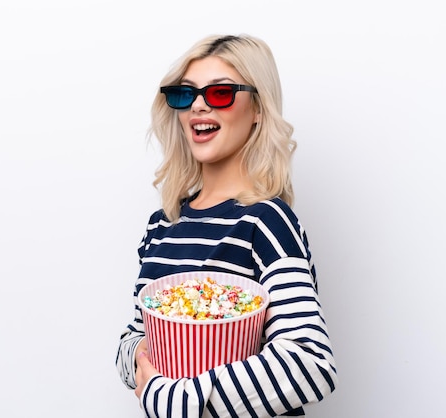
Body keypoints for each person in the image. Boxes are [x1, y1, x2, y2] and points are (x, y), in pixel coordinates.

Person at [115, 33, 337, 417]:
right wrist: (137, 355)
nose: (199, 105)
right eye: (186, 94)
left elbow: (310, 363)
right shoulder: (161, 227)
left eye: (220, 93)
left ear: (258, 110)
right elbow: (134, 338)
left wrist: (176, 401)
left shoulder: (266, 221)